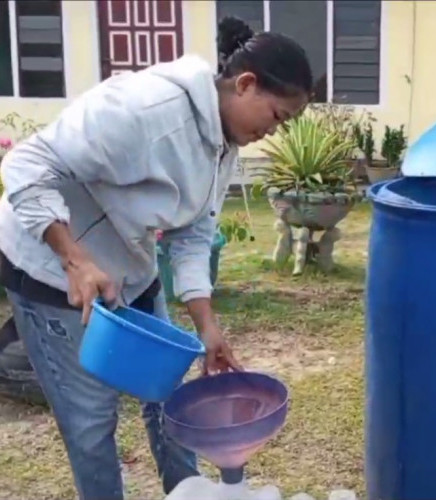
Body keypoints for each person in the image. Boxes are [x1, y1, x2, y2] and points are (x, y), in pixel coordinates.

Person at [0, 15, 312, 500]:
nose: (274, 133)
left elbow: (193, 229)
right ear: (246, 84)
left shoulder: (221, 141)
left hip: (128, 268)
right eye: (277, 118)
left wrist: (206, 324)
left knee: (167, 398)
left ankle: (184, 492)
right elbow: (25, 163)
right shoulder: (144, 111)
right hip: (49, 270)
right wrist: (74, 259)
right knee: (92, 421)